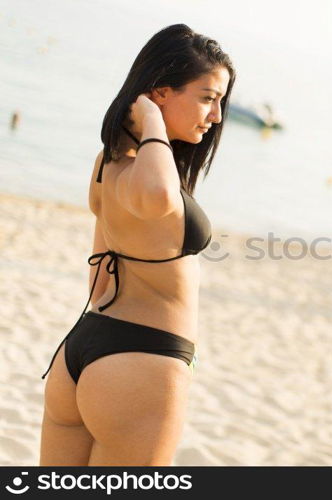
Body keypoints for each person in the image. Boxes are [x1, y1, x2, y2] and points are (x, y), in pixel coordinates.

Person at [39, 24, 235, 466]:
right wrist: (150, 121)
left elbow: (99, 272)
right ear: (161, 93)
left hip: (82, 351)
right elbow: (161, 196)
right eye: (207, 98)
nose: (216, 115)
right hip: (142, 363)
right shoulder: (150, 174)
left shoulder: (109, 164)